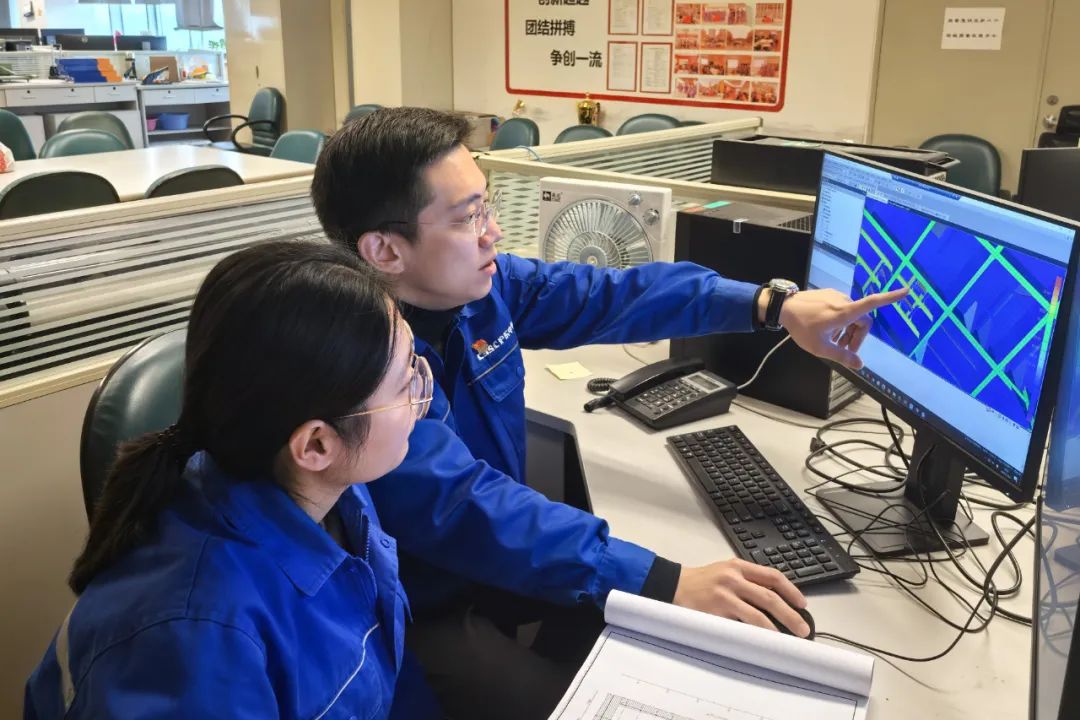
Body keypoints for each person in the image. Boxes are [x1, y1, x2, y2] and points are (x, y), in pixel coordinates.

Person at [311, 107, 906, 719]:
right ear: (385, 250)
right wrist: (664, 581)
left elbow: (613, 296)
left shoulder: (481, 291)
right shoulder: (360, 365)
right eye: (467, 218)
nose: (494, 233)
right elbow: (460, 504)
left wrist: (770, 306)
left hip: (502, 566)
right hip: (419, 605)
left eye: (487, 207)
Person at [24, 242, 442, 719]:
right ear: (315, 445)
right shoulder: (194, 643)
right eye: (404, 382)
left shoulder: (335, 494)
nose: (420, 387)